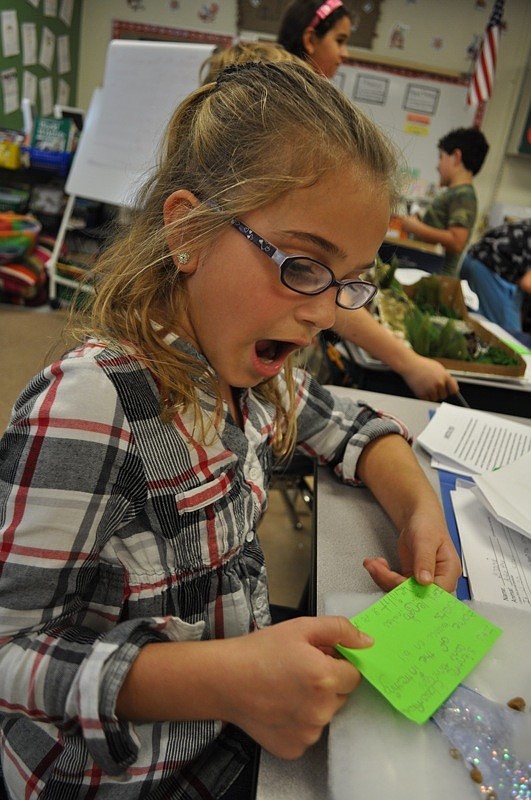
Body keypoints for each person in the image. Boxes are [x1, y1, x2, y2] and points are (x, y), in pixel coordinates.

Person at [0, 62, 461, 798]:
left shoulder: (256, 373)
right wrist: (227, 679)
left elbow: (350, 425)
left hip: (229, 739)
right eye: (302, 266)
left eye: (349, 281)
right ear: (187, 230)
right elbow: (11, 651)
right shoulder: (91, 405)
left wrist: (417, 511)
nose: (324, 313)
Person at [276, 1, 459, 401]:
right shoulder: (290, 118)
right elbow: (322, 285)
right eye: (340, 40)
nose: (345, 53)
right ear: (310, 38)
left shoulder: (308, 111)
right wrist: (407, 362)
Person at [398, 127, 490, 277]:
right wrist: (422, 221)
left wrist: (416, 228)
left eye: (441, 157)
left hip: (437, 277)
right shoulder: (456, 193)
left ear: (456, 156)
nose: (437, 166)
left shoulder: (463, 195)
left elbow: (456, 241)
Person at [460, 218, 531, 332]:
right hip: (493, 272)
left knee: (473, 326)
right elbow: (527, 283)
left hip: (472, 259)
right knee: (509, 337)